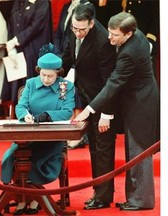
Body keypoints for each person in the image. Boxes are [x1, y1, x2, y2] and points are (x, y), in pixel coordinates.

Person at [74, 12, 160, 211]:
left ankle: (141, 201)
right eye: (110, 33)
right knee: (133, 152)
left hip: (141, 104)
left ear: (129, 34)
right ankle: (135, 198)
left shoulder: (131, 52)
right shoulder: (134, 36)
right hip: (136, 100)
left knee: (140, 151)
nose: (109, 37)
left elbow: (113, 84)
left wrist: (88, 109)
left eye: (114, 35)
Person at [1, 43, 75, 215]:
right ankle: (21, 199)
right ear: (38, 70)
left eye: (50, 76)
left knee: (35, 161)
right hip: (28, 136)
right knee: (15, 157)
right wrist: (24, 115)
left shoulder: (66, 86)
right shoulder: (31, 83)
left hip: (51, 139)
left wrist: (48, 115)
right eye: (43, 74)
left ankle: (33, 200)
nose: (46, 79)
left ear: (58, 73)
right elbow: (21, 106)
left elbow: (67, 112)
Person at [62, 4, 117, 209]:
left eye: (82, 29)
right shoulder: (74, 28)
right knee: (94, 147)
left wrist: (107, 114)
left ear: (92, 23)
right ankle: (98, 192)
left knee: (103, 149)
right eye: (75, 28)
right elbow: (67, 58)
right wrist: (50, 69)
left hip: (102, 101)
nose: (77, 33)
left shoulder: (103, 41)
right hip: (86, 97)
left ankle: (103, 197)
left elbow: (109, 82)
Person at [54, 0, 93, 149]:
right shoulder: (66, 7)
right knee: (65, 94)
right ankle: (68, 132)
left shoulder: (87, 5)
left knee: (77, 96)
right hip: (66, 56)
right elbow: (59, 33)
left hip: (80, 56)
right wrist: (60, 54)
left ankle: (79, 134)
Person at [0, 0, 53, 106]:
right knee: (16, 89)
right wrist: (11, 45)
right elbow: (11, 22)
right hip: (18, 51)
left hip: (33, 51)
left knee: (32, 87)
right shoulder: (19, 2)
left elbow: (37, 25)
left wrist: (16, 40)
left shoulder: (43, 3)